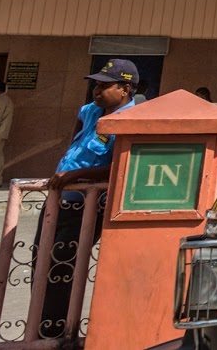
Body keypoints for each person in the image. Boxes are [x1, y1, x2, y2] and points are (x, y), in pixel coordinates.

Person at [37, 58, 138, 339]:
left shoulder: (131, 122)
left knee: (62, 266)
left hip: (84, 205)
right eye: (95, 85)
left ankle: (56, 331)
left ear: (125, 89)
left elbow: (120, 164)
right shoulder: (90, 111)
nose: (97, 91)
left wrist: (76, 175)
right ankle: (40, 326)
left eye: (104, 86)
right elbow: (75, 142)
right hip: (58, 198)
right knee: (40, 260)